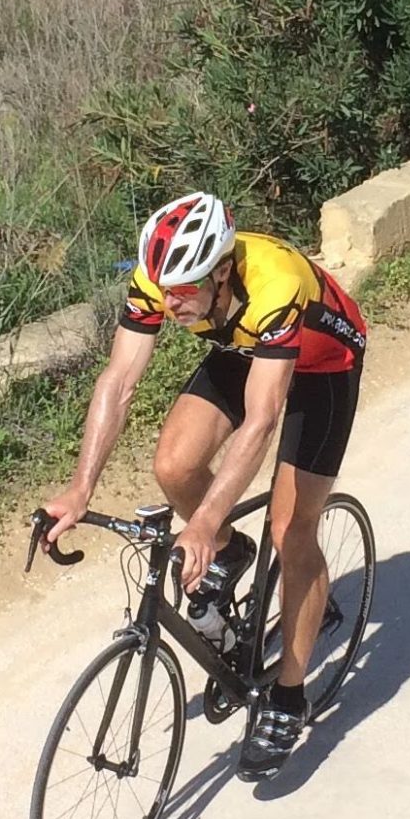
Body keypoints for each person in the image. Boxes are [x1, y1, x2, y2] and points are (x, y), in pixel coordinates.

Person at [35, 192, 367, 778]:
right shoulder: (162, 280)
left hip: (322, 367)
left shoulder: (275, 284)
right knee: (173, 467)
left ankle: (288, 695)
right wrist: (80, 488)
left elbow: (262, 418)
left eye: (185, 289)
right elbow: (120, 379)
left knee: (292, 529)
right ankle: (234, 554)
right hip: (242, 348)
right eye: (164, 288)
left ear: (220, 270)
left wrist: (206, 520)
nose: (170, 302)